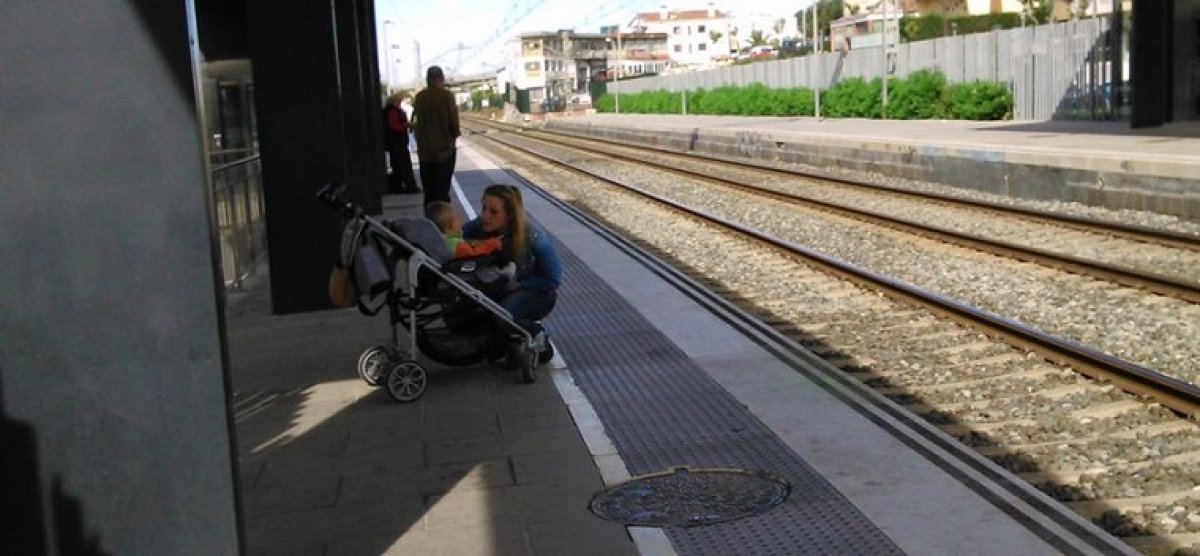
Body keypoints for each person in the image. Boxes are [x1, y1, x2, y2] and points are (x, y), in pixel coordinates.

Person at [462, 184, 562, 346]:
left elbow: (553, 279)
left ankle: (536, 334)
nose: (485, 216)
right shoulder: (481, 225)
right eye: (484, 208)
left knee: (503, 314)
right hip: (501, 287)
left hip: (535, 292)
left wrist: (518, 285)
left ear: (509, 215)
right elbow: (455, 237)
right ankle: (503, 342)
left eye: (493, 212)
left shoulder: (533, 236)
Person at [410, 66, 460, 205]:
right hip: (444, 150)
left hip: (425, 151)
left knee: (429, 191)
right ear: (441, 78)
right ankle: (442, 218)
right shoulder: (446, 96)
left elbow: (415, 121)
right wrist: (455, 135)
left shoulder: (420, 97)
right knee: (442, 190)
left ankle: (430, 218)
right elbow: (453, 121)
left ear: (427, 79)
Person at [425, 201, 502, 259]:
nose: (460, 220)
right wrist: (492, 243)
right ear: (450, 226)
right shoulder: (456, 244)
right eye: (457, 219)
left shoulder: (438, 241)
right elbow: (474, 254)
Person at [383, 92, 419, 194]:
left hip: (397, 143)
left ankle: (400, 187)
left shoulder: (390, 110)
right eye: (399, 101)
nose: (400, 103)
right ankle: (409, 187)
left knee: (399, 166)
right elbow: (393, 125)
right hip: (396, 143)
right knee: (403, 165)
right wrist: (406, 125)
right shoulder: (392, 111)